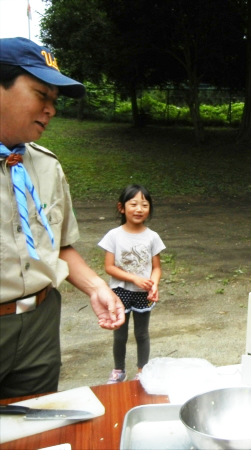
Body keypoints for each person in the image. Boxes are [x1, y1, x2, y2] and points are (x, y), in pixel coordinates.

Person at [0, 37, 125, 399]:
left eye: (54, 102)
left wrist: (97, 287)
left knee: (36, 430)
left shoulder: (46, 165)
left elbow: (58, 246)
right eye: (41, 95)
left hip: (40, 328)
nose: (51, 110)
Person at [98, 185, 165, 383]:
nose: (139, 209)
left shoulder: (152, 236)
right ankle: (119, 370)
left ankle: (142, 371)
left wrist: (154, 284)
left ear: (149, 209)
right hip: (120, 291)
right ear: (121, 207)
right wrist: (134, 278)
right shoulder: (114, 235)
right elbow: (109, 267)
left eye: (144, 205)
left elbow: (157, 268)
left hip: (143, 293)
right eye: (133, 204)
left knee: (142, 333)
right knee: (120, 335)